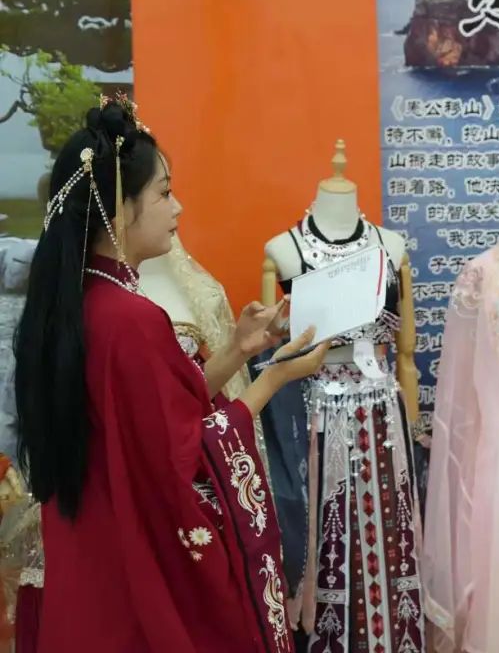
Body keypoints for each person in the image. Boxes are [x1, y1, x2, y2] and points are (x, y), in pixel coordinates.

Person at [13, 98, 329, 652]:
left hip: (95, 552)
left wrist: (238, 349)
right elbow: (184, 454)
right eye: (163, 193)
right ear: (119, 208)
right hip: (136, 572)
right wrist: (275, 378)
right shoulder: (130, 318)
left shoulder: (82, 302)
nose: (177, 207)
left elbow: (153, 420)